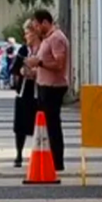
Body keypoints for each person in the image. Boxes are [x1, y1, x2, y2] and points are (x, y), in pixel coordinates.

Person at [26, 9, 70, 172]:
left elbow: (59, 64)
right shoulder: (47, 39)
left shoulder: (57, 38)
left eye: (37, 25)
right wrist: (34, 71)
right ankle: (50, 157)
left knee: (53, 124)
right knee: (46, 124)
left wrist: (40, 63)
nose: (36, 29)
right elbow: (45, 63)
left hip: (54, 87)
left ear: (45, 22)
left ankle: (57, 161)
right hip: (44, 85)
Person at [10, 22, 39, 168]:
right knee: (20, 126)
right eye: (26, 33)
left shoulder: (42, 48)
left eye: (29, 33)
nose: (26, 36)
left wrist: (37, 73)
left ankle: (40, 154)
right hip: (24, 91)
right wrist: (21, 71)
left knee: (39, 125)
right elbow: (14, 68)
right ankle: (19, 154)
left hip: (39, 91)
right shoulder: (23, 49)